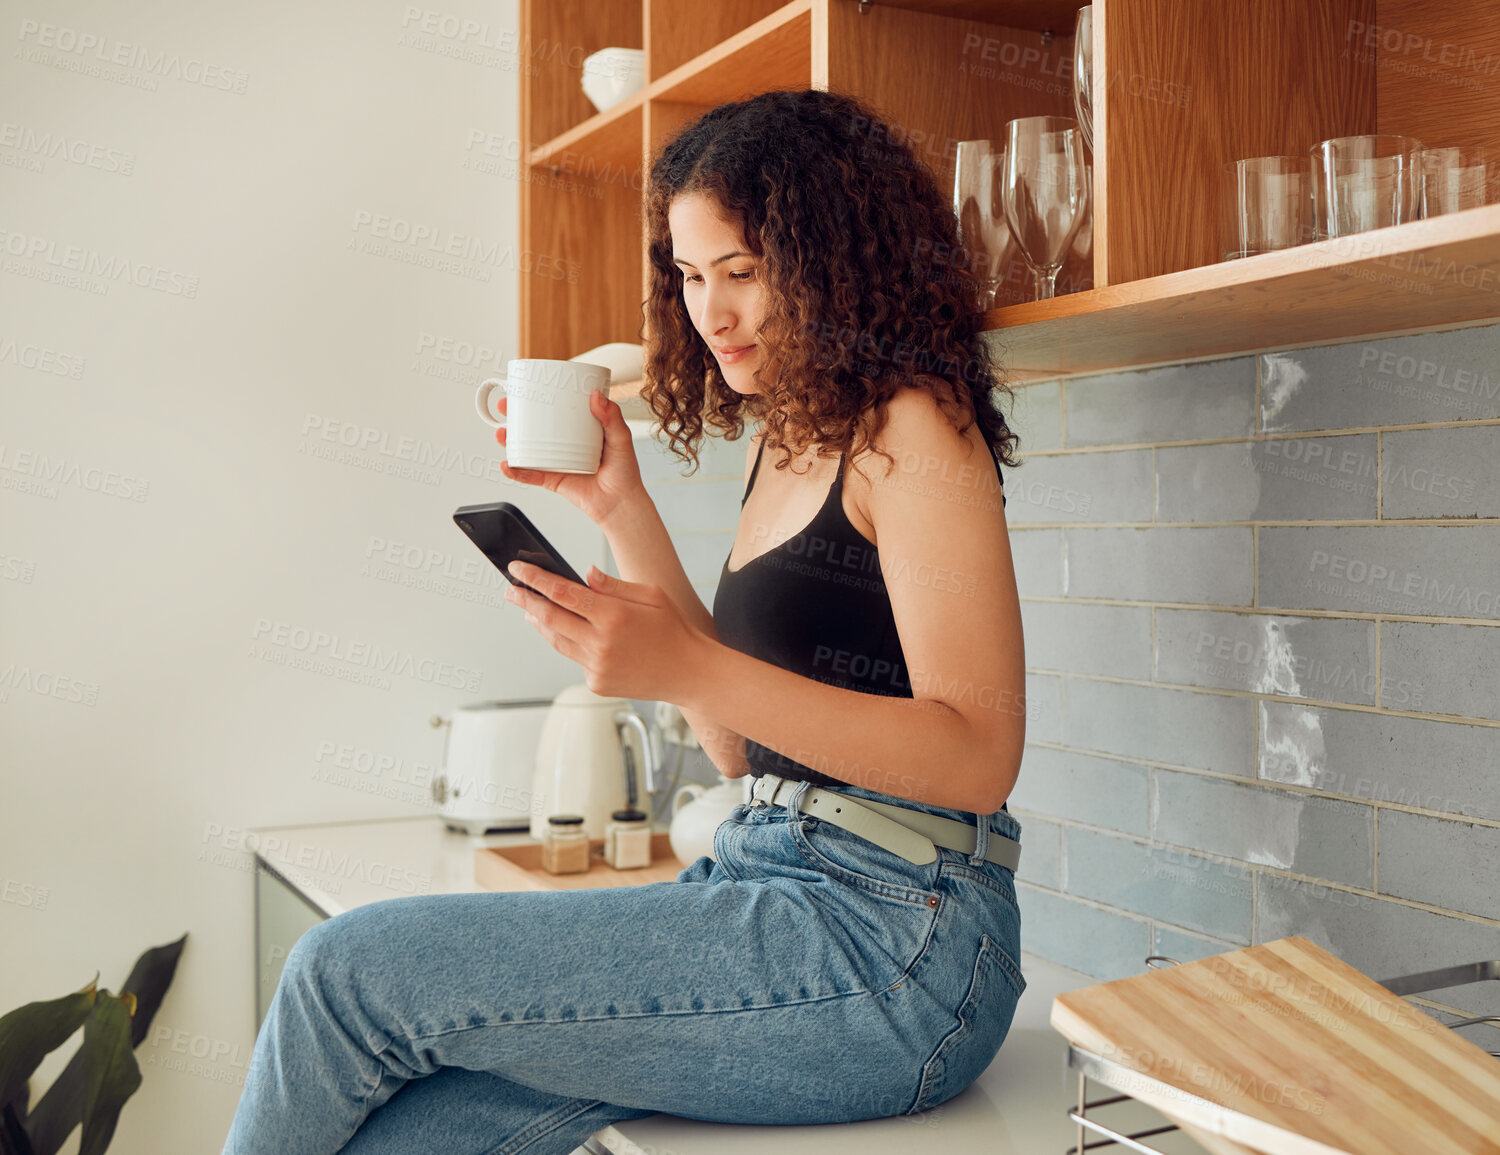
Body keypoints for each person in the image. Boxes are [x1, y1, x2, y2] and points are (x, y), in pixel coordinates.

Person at [223, 87, 1029, 1155]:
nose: (713, 312)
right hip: (770, 881)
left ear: (834, 252)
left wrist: (686, 658)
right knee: (412, 1135)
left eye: (742, 271)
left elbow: (979, 757)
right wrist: (620, 510)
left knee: (344, 970)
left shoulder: (915, 427)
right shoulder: (787, 441)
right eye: (692, 278)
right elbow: (743, 746)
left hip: (899, 942)